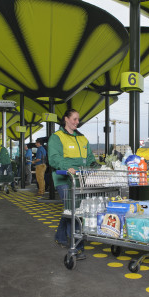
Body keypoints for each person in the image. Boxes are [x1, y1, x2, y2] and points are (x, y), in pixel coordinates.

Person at [48, 109, 98, 261]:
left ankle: (61, 237)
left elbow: (89, 158)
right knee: (75, 212)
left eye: (78, 119)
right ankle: (76, 246)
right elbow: (54, 158)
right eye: (75, 119)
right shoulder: (57, 138)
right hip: (65, 179)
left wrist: (97, 166)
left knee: (71, 210)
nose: (77, 122)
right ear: (66, 119)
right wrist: (66, 166)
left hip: (80, 180)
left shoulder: (82, 138)